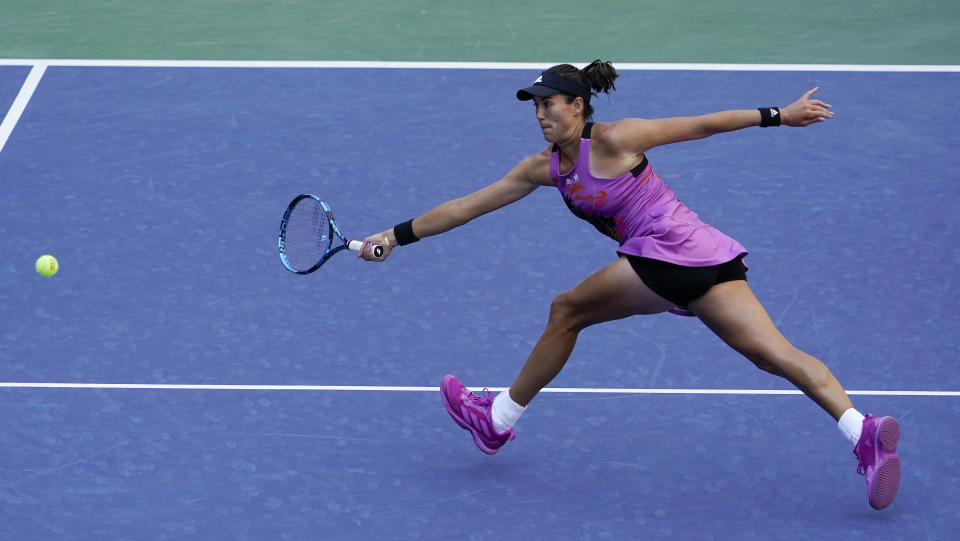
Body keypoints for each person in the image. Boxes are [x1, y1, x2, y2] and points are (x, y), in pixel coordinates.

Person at [358, 60, 901, 510]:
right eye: (535, 105)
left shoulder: (617, 139)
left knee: (567, 310)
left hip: (668, 252)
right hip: (707, 257)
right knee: (773, 354)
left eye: (550, 103)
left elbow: (702, 124)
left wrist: (780, 116)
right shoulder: (542, 168)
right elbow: (465, 207)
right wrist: (393, 236)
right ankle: (862, 431)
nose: (541, 113)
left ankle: (497, 419)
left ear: (578, 106)